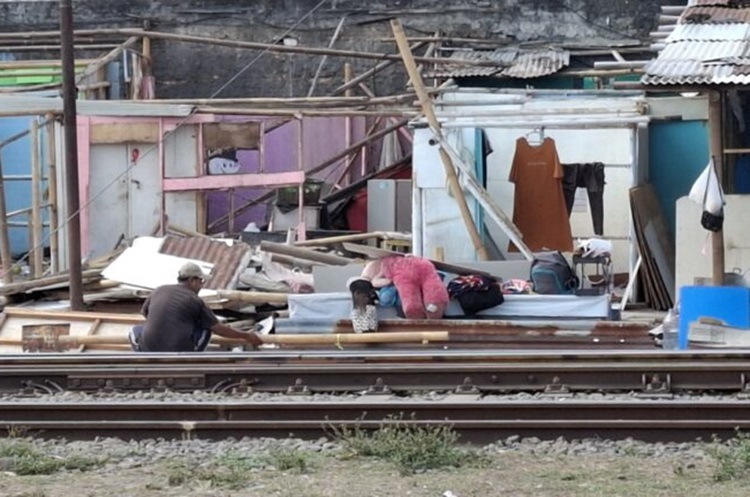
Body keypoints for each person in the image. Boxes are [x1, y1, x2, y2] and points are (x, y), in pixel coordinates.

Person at [128, 262, 263, 352]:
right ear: (192, 280)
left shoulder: (158, 290)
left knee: (135, 329)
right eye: (201, 281)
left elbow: (146, 314)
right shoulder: (194, 299)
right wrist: (247, 336)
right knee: (206, 330)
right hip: (179, 350)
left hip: (148, 349)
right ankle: (191, 357)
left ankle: (144, 356)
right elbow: (218, 329)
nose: (202, 285)